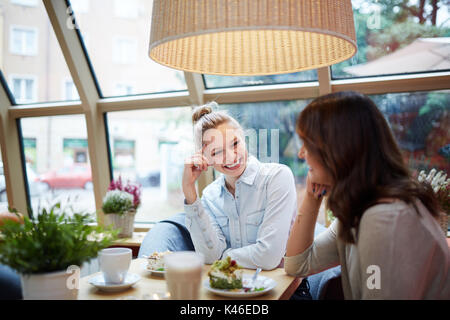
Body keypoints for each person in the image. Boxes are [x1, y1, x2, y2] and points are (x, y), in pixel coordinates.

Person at [284, 91, 449, 299]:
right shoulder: (360, 210)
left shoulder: (383, 219)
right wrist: (312, 195)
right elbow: (297, 264)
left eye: (307, 144)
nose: (301, 154)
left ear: (336, 150)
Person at [182, 102, 298, 270]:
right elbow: (208, 256)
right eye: (216, 152)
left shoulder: (277, 178)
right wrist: (189, 192)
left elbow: (269, 257)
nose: (230, 157)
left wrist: (223, 257)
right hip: (229, 289)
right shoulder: (209, 196)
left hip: (283, 292)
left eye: (235, 144)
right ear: (205, 157)